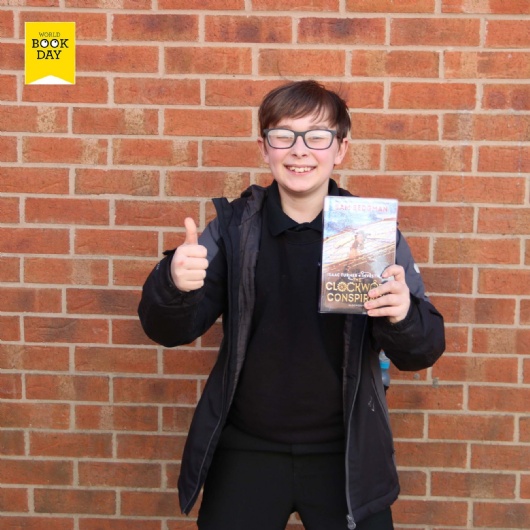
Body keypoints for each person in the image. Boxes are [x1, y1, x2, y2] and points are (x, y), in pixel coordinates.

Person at [138, 80, 445, 530]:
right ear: (265, 148)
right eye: (284, 136)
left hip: (346, 454)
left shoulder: (368, 232)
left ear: (340, 148)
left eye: (317, 136)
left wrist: (402, 315)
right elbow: (167, 330)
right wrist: (173, 283)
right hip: (247, 448)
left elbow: (423, 349)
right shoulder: (233, 228)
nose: (300, 150)